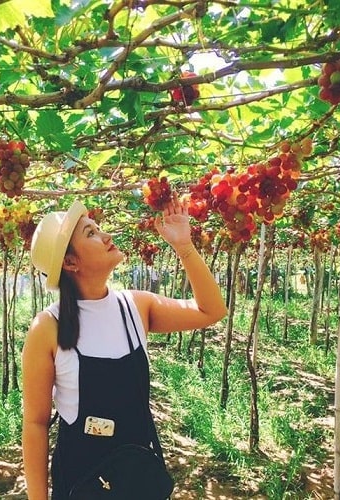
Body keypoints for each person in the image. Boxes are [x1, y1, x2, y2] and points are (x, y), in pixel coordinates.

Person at [22, 195, 228, 500]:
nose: (106, 235)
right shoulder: (48, 328)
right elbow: (36, 424)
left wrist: (184, 247)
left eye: (98, 228)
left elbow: (211, 310)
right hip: (81, 482)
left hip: (136, 477)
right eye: (91, 233)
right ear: (70, 262)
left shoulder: (135, 307)